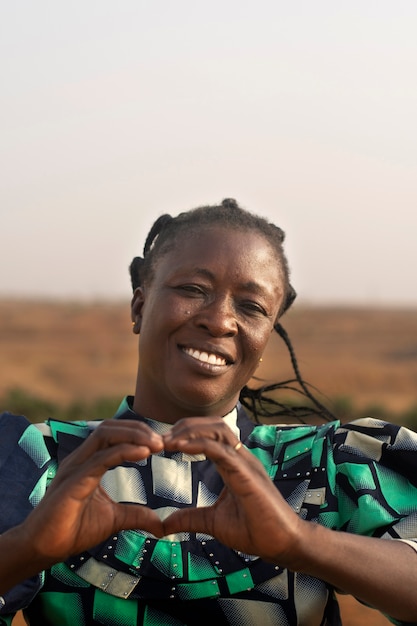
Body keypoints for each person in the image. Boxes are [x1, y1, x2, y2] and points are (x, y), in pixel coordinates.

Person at [1, 198, 417, 626]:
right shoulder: (39, 460)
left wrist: (300, 542)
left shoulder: (324, 466)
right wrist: (27, 547)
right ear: (139, 306)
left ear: (267, 335)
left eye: (252, 307)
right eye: (192, 290)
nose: (219, 321)